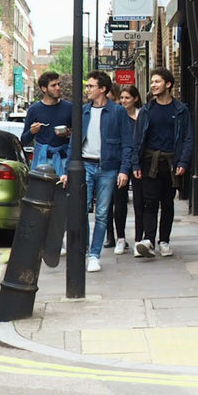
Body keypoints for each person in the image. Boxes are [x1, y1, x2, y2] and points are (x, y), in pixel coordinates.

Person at [126, 68, 193, 258]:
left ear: (168, 84)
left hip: (172, 162)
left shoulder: (180, 110)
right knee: (150, 201)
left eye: (157, 81)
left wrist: (184, 161)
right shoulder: (147, 110)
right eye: (152, 82)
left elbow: (188, 138)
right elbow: (137, 139)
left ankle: (164, 241)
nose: (153, 85)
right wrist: (136, 164)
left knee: (168, 202)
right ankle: (148, 240)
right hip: (149, 162)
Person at [73, 71, 129, 273]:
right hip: (85, 166)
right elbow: (74, 142)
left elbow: (127, 144)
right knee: (81, 211)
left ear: (103, 89)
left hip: (108, 168)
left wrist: (124, 170)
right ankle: (86, 250)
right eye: (87, 86)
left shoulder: (117, 112)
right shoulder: (83, 111)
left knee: (103, 213)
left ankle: (95, 255)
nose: (87, 89)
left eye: (90, 86)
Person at [105, 83, 142, 254]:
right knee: (119, 203)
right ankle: (120, 238)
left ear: (135, 99)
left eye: (127, 98)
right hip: (121, 164)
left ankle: (139, 240)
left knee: (140, 203)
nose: (124, 101)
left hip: (140, 164)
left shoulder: (143, 116)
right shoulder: (118, 116)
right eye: (122, 98)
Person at [20, 71, 73, 177]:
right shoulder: (34, 110)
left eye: (59, 84)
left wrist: (68, 134)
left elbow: (79, 134)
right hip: (42, 159)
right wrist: (32, 131)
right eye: (53, 85)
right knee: (42, 191)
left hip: (63, 159)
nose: (58, 88)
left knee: (62, 191)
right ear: (44, 89)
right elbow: (24, 140)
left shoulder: (69, 108)